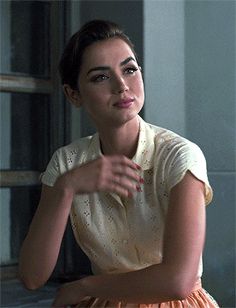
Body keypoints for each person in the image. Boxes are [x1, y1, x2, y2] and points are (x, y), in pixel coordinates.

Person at [19, 20, 219, 307]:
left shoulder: (180, 155)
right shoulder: (66, 163)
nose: (122, 86)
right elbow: (32, 277)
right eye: (101, 77)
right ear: (73, 94)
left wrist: (83, 286)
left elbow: (178, 281)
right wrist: (67, 186)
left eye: (129, 69)